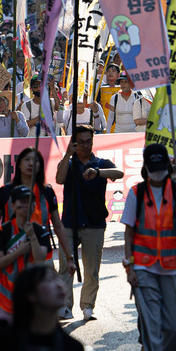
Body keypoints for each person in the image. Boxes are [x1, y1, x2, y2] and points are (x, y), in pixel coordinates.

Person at [121, 144, 176, 351]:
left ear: (169, 167)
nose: (157, 174)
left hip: (175, 267)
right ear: (146, 168)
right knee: (151, 324)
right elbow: (129, 233)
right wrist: (130, 266)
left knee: (175, 326)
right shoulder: (136, 193)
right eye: (153, 170)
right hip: (144, 267)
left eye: (161, 169)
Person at [57, 125, 121, 321]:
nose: (85, 145)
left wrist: (98, 173)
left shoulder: (101, 163)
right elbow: (59, 179)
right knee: (65, 267)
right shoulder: (69, 162)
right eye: (81, 142)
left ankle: (88, 306)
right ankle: (65, 306)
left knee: (91, 269)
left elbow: (119, 173)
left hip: (94, 224)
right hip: (69, 222)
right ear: (74, 143)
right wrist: (68, 155)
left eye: (88, 141)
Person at [0, 186, 55, 323]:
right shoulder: (3, 231)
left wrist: (32, 236)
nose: (26, 205)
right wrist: (19, 251)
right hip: (7, 294)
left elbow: (40, 259)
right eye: (22, 201)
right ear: (13, 205)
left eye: (29, 201)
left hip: (32, 294)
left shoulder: (40, 231)